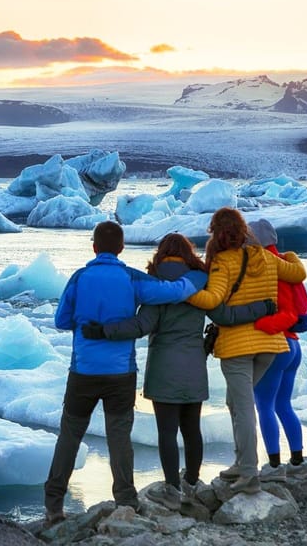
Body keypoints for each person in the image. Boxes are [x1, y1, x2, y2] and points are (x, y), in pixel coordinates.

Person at [96, 233, 274, 510]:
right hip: (194, 365)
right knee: (192, 430)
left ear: (161, 254)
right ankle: (191, 482)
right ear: (188, 254)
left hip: (163, 369)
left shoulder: (156, 287)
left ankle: (172, 490)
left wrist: (105, 330)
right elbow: (227, 316)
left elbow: (141, 326)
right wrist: (262, 307)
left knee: (167, 432)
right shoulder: (199, 286)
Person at [44, 221, 202, 526]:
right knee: (119, 438)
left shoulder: (79, 277)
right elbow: (173, 292)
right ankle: (126, 501)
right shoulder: (132, 278)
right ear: (121, 248)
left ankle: (54, 506)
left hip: (83, 372)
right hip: (120, 374)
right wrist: (199, 276)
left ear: (93, 247)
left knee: (70, 436)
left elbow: (61, 321)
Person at [186, 208, 306, 494]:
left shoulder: (222, 262)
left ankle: (250, 474)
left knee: (243, 408)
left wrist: (182, 291)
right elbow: (298, 273)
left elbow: (213, 298)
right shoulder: (265, 256)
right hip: (270, 346)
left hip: (238, 347)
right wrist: (288, 255)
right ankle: (241, 463)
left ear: (217, 233)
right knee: (234, 402)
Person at [247, 219, 307, 481]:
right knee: (284, 404)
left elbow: (284, 311)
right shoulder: (288, 264)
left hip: (276, 344)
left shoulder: (266, 269)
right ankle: (297, 460)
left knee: (264, 405)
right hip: (294, 345)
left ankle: (274, 466)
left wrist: (257, 323)